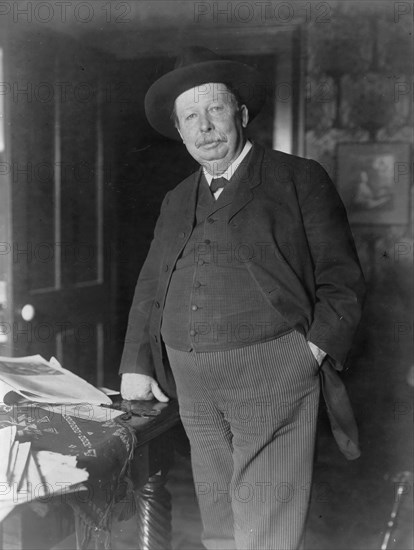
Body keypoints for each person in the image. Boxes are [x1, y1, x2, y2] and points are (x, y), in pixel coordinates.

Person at [119, 47, 366, 550]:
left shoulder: (299, 178)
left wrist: (308, 352)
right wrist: (138, 362)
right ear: (181, 131)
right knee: (220, 524)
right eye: (191, 117)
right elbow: (152, 284)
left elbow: (342, 278)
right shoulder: (175, 199)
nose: (205, 127)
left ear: (242, 115)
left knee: (265, 528)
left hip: (272, 371)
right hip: (192, 382)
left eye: (215, 110)